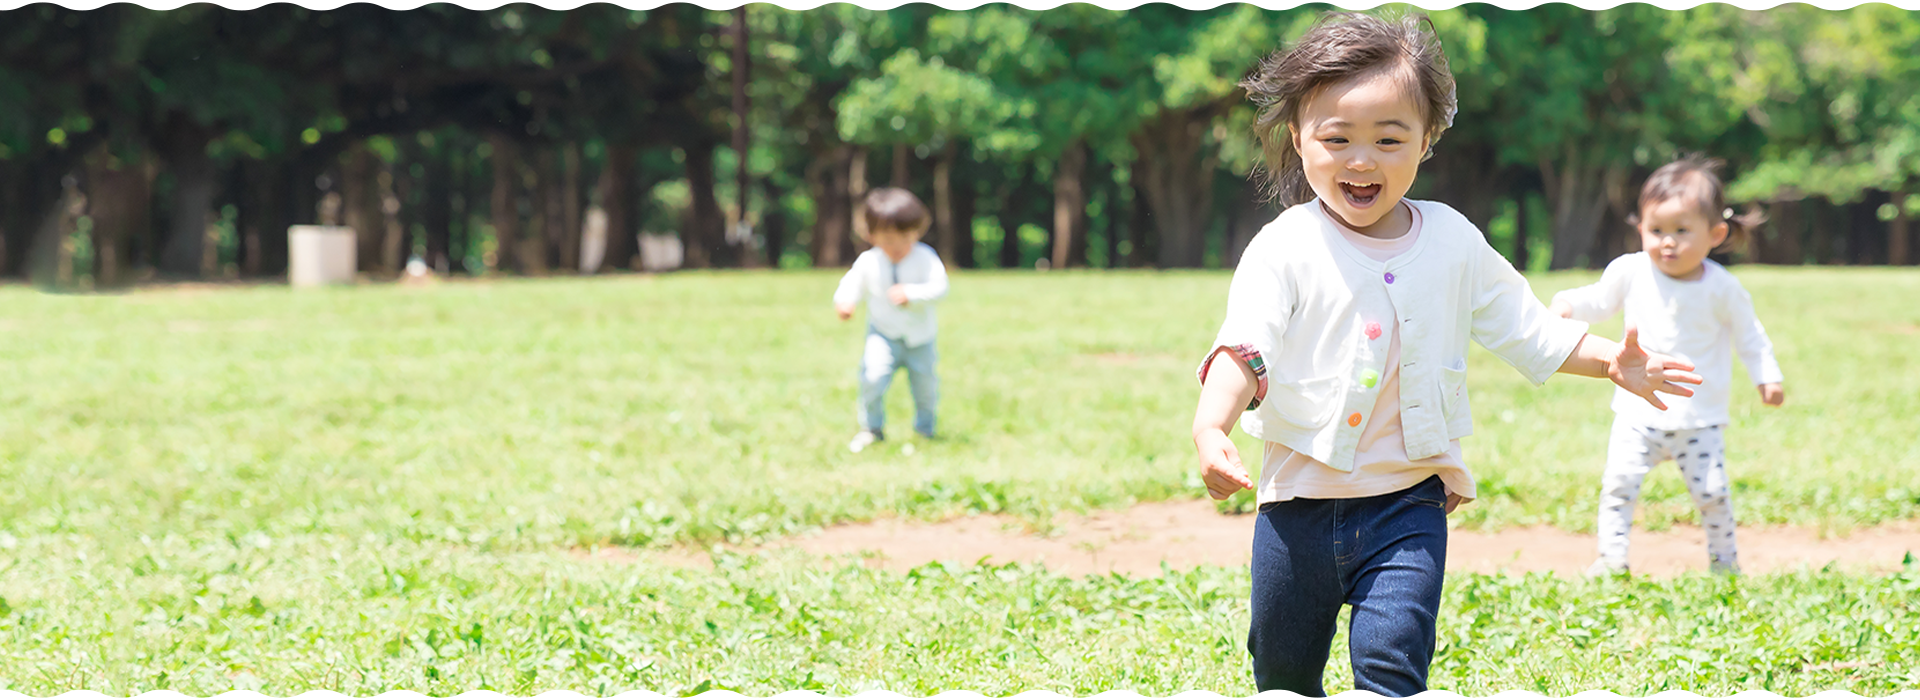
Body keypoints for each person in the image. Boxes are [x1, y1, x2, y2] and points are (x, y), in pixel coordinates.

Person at [1191, 12, 1704, 699]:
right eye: (1336, 138)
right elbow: (1245, 347)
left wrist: (1612, 360)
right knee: (1281, 673)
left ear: (1426, 139)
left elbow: (1527, 329)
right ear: (1299, 138)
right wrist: (1210, 425)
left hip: (1408, 504)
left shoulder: (1453, 241)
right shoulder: (1286, 247)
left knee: (1391, 664)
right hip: (1298, 506)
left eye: (1388, 138)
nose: (1361, 159)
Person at [1548, 157, 1785, 577]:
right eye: (1656, 230)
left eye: (1681, 231)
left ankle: (1725, 563)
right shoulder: (1631, 271)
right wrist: (1567, 304)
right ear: (1640, 227)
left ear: (1716, 234)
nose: (1667, 243)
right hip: (1637, 413)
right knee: (1618, 486)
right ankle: (1611, 559)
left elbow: (1751, 335)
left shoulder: (1722, 288)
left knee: (1712, 493)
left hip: (1699, 419)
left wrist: (1767, 375)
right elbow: (1599, 300)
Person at [833, 187, 948, 453]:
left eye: (904, 237)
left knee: (925, 387)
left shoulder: (925, 258)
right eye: (887, 239)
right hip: (882, 334)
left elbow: (940, 287)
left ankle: (925, 429)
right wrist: (845, 302)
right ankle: (871, 428)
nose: (896, 246)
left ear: (917, 231)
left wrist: (912, 293)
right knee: (872, 377)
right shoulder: (868, 261)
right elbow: (852, 283)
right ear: (870, 234)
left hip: (921, 338)